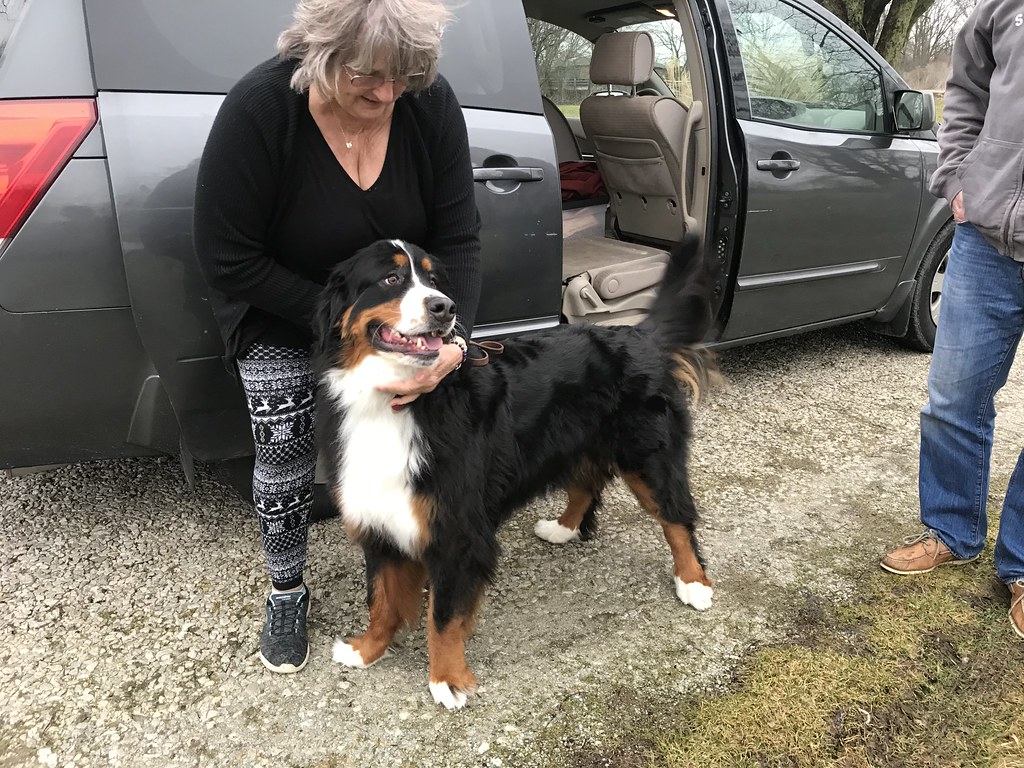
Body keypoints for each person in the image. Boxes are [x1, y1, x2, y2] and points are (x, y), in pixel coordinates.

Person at [193, 0, 481, 673]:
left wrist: (453, 341)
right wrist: (343, 319)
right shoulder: (261, 109)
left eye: (402, 78)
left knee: (410, 436)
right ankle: (286, 586)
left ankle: (393, 563)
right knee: (286, 441)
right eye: (367, 77)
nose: (386, 94)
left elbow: (459, 236)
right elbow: (226, 258)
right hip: (282, 307)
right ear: (317, 55)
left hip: (399, 311)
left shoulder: (428, 104)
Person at [879, 0, 1023, 641]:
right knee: (952, 398)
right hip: (987, 240)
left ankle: (1021, 564)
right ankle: (951, 529)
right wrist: (958, 178)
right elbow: (965, 86)